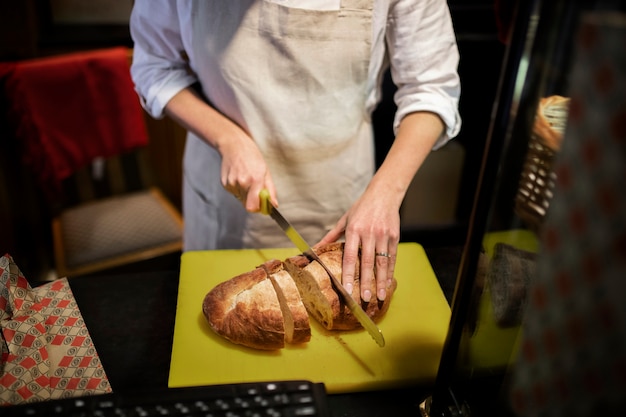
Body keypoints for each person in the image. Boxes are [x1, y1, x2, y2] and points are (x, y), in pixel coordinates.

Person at [129, 0, 461, 304]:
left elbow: (431, 88)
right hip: (226, 199)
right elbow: (155, 65)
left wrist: (386, 193)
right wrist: (227, 138)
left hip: (341, 197)